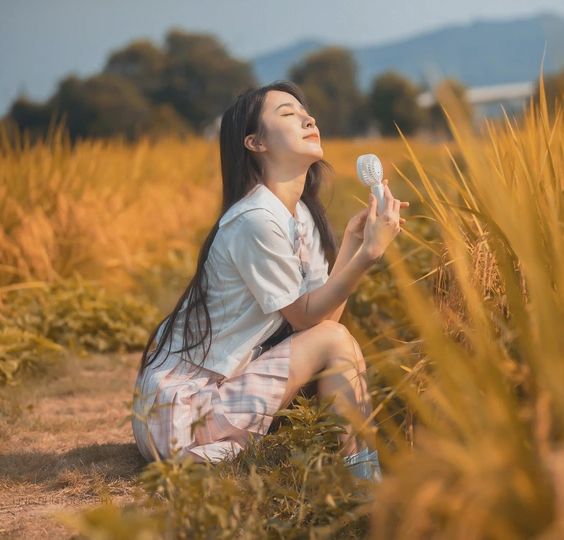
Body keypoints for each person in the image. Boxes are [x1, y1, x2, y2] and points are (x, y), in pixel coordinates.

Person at [130, 81, 408, 480]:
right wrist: (369, 255)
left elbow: (322, 323)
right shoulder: (256, 219)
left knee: (336, 341)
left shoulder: (301, 216)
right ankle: (364, 489)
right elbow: (308, 320)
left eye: (306, 112)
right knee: (336, 342)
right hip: (181, 412)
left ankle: (361, 482)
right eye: (288, 114)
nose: (309, 119)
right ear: (255, 143)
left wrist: (352, 243)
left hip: (220, 395)